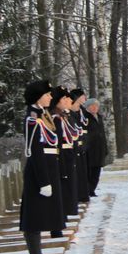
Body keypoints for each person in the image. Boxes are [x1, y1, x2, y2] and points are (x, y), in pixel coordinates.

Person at [19, 79, 65, 254]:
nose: (50, 97)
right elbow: (34, 151)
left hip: (49, 165)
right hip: (39, 169)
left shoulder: (44, 114)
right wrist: (43, 180)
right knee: (34, 215)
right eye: (47, 94)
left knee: (42, 212)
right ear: (38, 97)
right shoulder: (33, 118)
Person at [51, 86, 79, 223]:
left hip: (68, 153)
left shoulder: (63, 116)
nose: (68, 100)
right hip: (63, 155)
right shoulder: (56, 118)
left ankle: (67, 212)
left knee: (69, 187)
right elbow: (58, 142)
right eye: (64, 98)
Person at [69, 89, 91, 203]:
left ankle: (83, 194)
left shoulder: (82, 111)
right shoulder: (70, 111)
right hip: (75, 143)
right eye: (83, 96)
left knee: (83, 171)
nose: (85, 98)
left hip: (83, 142)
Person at [84, 98, 108, 197]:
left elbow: (102, 133)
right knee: (90, 171)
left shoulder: (99, 117)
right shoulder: (86, 118)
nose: (95, 108)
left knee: (97, 172)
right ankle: (88, 190)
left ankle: (92, 189)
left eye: (96, 106)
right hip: (90, 149)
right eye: (92, 106)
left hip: (100, 148)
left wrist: (105, 148)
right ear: (87, 107)